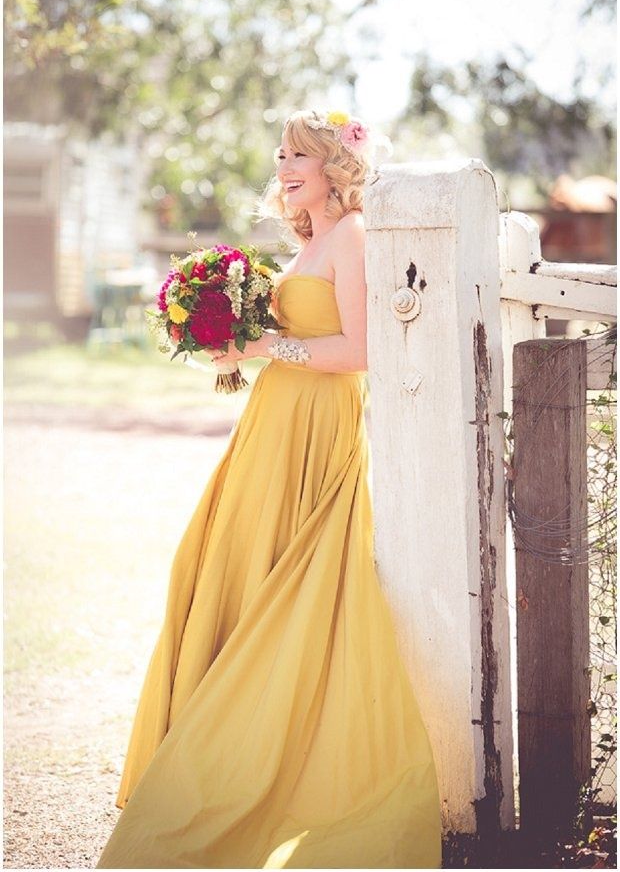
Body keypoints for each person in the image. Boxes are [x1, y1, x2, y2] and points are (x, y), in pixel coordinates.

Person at [95, 108, 442, 869]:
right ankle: (206, 742)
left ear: (332, 168)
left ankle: (247, 751)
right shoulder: (309, 242)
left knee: (279, 575)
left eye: (298, 156)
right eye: (280, 155)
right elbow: (294, 345)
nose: (283, 167)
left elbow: (361, 348)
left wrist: (260, 342)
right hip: (273, 417)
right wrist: (230, 346)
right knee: (218, 559)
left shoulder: (350, 238)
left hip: (316, 423)